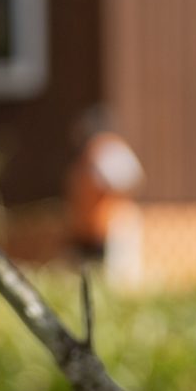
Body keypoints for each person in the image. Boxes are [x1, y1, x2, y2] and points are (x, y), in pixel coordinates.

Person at [64, 108, 145, 283]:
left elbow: (126, 179)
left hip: (112, 226)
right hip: (91, 230)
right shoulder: (91, 152)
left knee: (116, 279)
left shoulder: (106, 147)